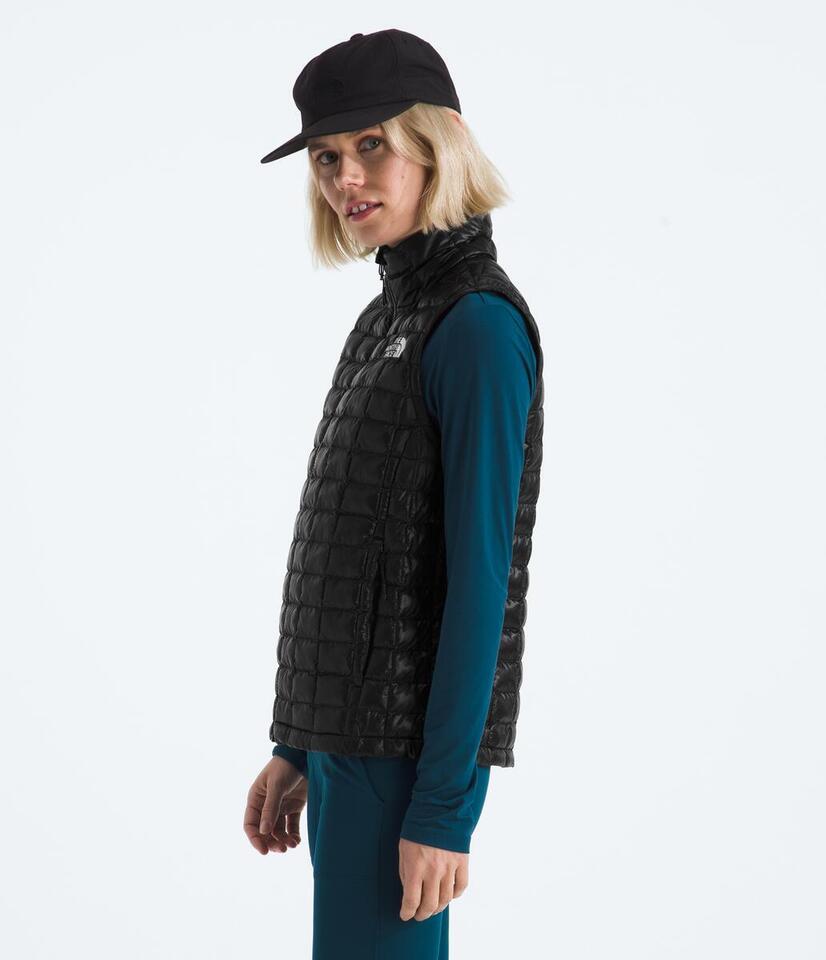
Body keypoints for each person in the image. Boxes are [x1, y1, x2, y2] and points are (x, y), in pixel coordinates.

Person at [243, 28, 544, 959]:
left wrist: (445, 810)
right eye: (328, 156)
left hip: (405, 769)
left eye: (371, 144)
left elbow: (481, 588)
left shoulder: (477, 325)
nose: (346, 178)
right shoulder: (389, 317)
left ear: (437, 142)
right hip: (351, 753)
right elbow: (357, 547)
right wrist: (302, 744)